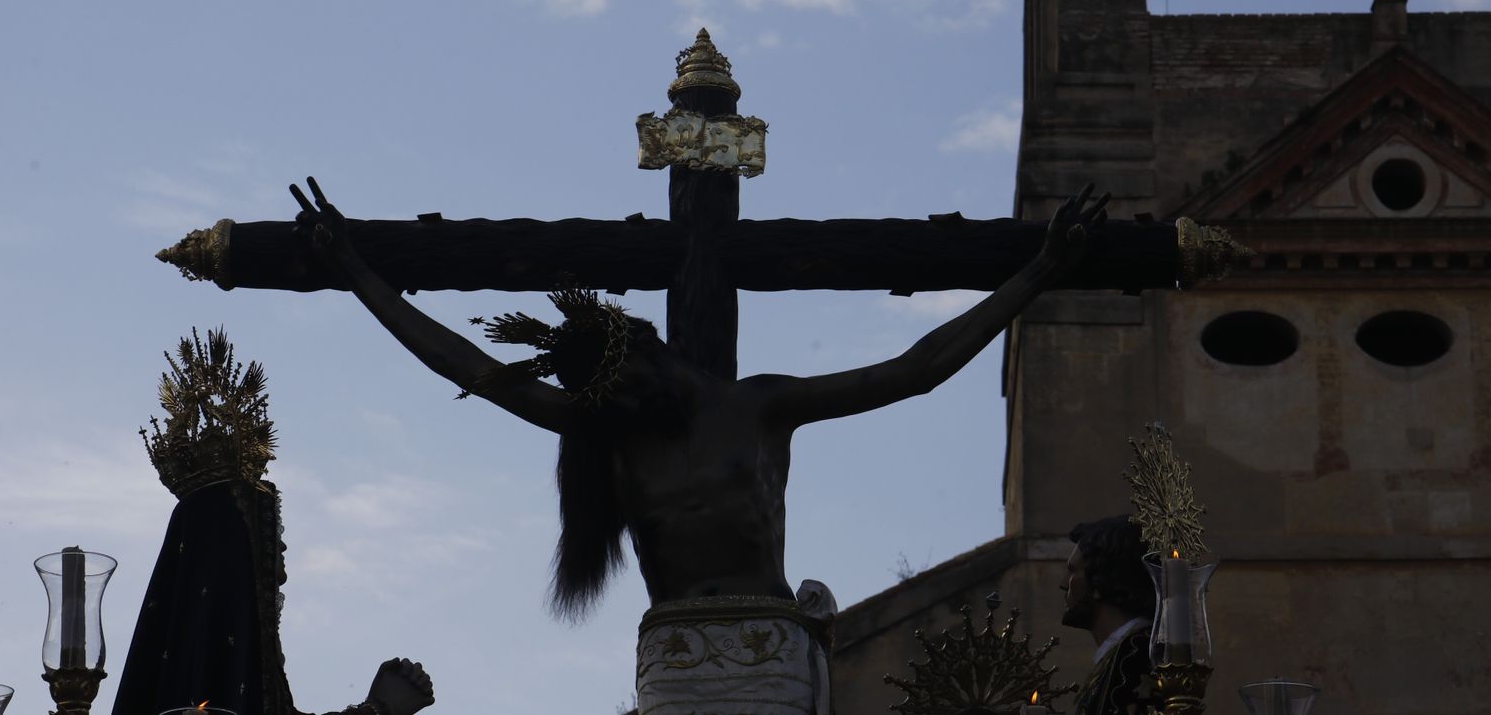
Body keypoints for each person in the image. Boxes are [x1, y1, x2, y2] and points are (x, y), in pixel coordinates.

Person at [291, 179, 1108, 714]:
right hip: (673, 658)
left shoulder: (760, 408)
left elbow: (914, 371)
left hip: (770, 650)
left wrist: (1036, 275)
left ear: (649, 350)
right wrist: (358, 270)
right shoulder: (603, 429)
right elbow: (464, 362)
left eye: (623, 388)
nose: (620, 408)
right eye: (602, 401)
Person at [113, 329, 436, 715]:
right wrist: (379, 710)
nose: (280, 554)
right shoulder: (200, 687)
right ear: (233, 554)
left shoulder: (244, 674)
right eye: (269, 538)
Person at [1060, 515, 1156, 715]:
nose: (1063, 583)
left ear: (1099, 582)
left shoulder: (1136, 660)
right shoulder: (1119, 656)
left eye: (1072, 571)